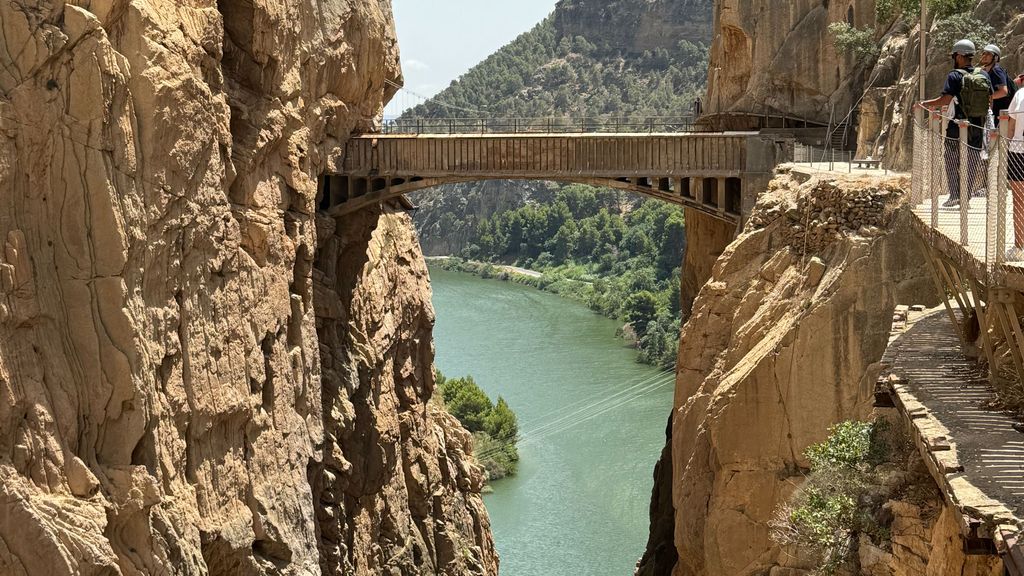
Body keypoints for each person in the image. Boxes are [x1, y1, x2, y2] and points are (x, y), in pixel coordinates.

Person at [919, 39, 993, 208]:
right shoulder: (983, 74)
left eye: (954, 56)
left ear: (959, 56)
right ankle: (966, 196)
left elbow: (945, 99)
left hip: (957, 125)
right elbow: (990, 100)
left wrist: (925, 104)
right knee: (972, 159)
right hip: (977, 125)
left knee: (951, 158)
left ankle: (954, 195)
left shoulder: (954, 75)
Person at [1005, 75, 1024, 260]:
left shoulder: (1019, 95)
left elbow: (1011, 126)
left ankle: (1019, 247)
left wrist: (1005, 150)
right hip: (1018, 151)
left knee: (1019, 201)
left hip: (1018, 151)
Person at [980, 44, 1011, 127]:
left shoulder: (996, 70)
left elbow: (1004, 91)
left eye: (988, 54)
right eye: (984, 53)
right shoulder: (987, 71)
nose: (984, 56)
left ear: (995, 58)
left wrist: (985, 97)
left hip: (1002, 112)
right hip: (996, 112)